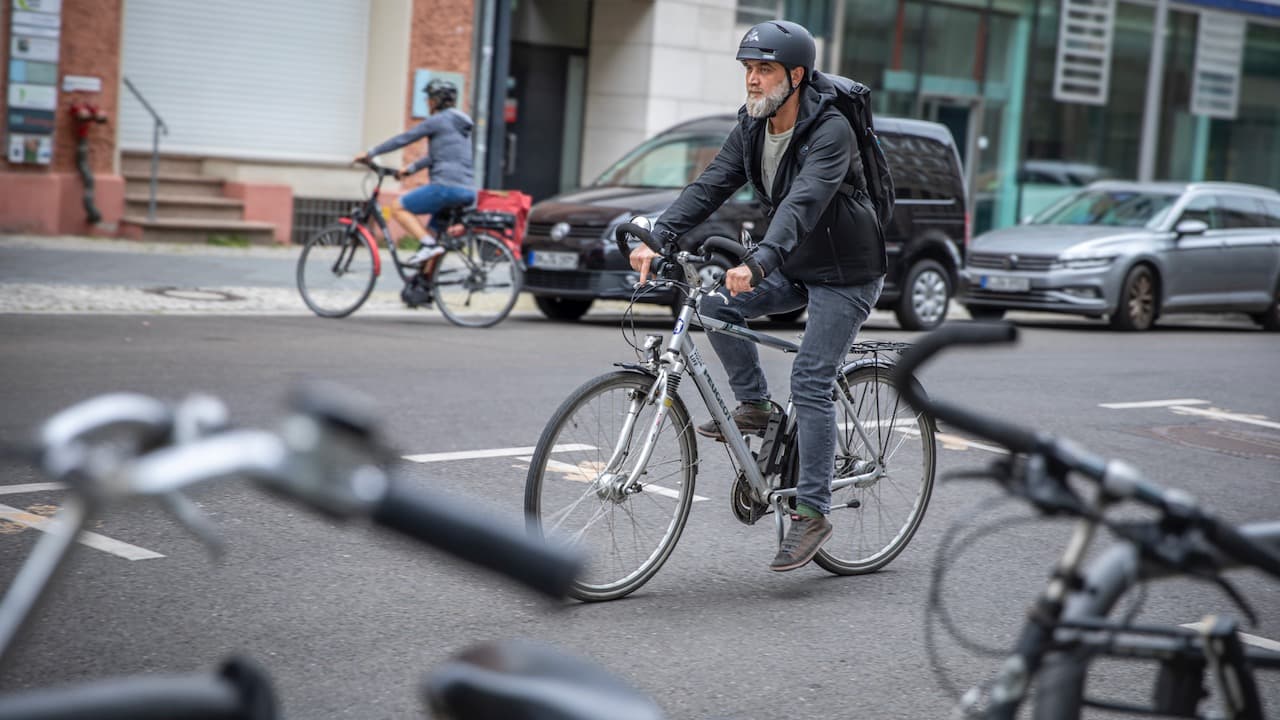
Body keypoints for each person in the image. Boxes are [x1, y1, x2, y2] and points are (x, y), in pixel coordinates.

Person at [628, 20, 887, 572]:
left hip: (846, 272)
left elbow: (804, 202)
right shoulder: (752, 124)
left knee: (811, 379)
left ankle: (812, 511)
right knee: (715, 305)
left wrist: (760, 259)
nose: (751, 79)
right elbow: (711, 184)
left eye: (764, 69)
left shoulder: (831, 130)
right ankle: (756, 407)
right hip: (793, 262)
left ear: (796, 76)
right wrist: (659, 235)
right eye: (748, 68)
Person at [355, 78, 475, 267]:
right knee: (433, 234)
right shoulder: (460, 126)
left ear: (437, 100)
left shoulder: (438, 120)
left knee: (398, 207)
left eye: (429, 98)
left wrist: (371, 153)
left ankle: (427, 245)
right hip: (466, 190)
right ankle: (425, 281)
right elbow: (437, 157)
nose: (427, 102)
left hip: (445, 187)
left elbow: (404, 138)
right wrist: (410, 169)